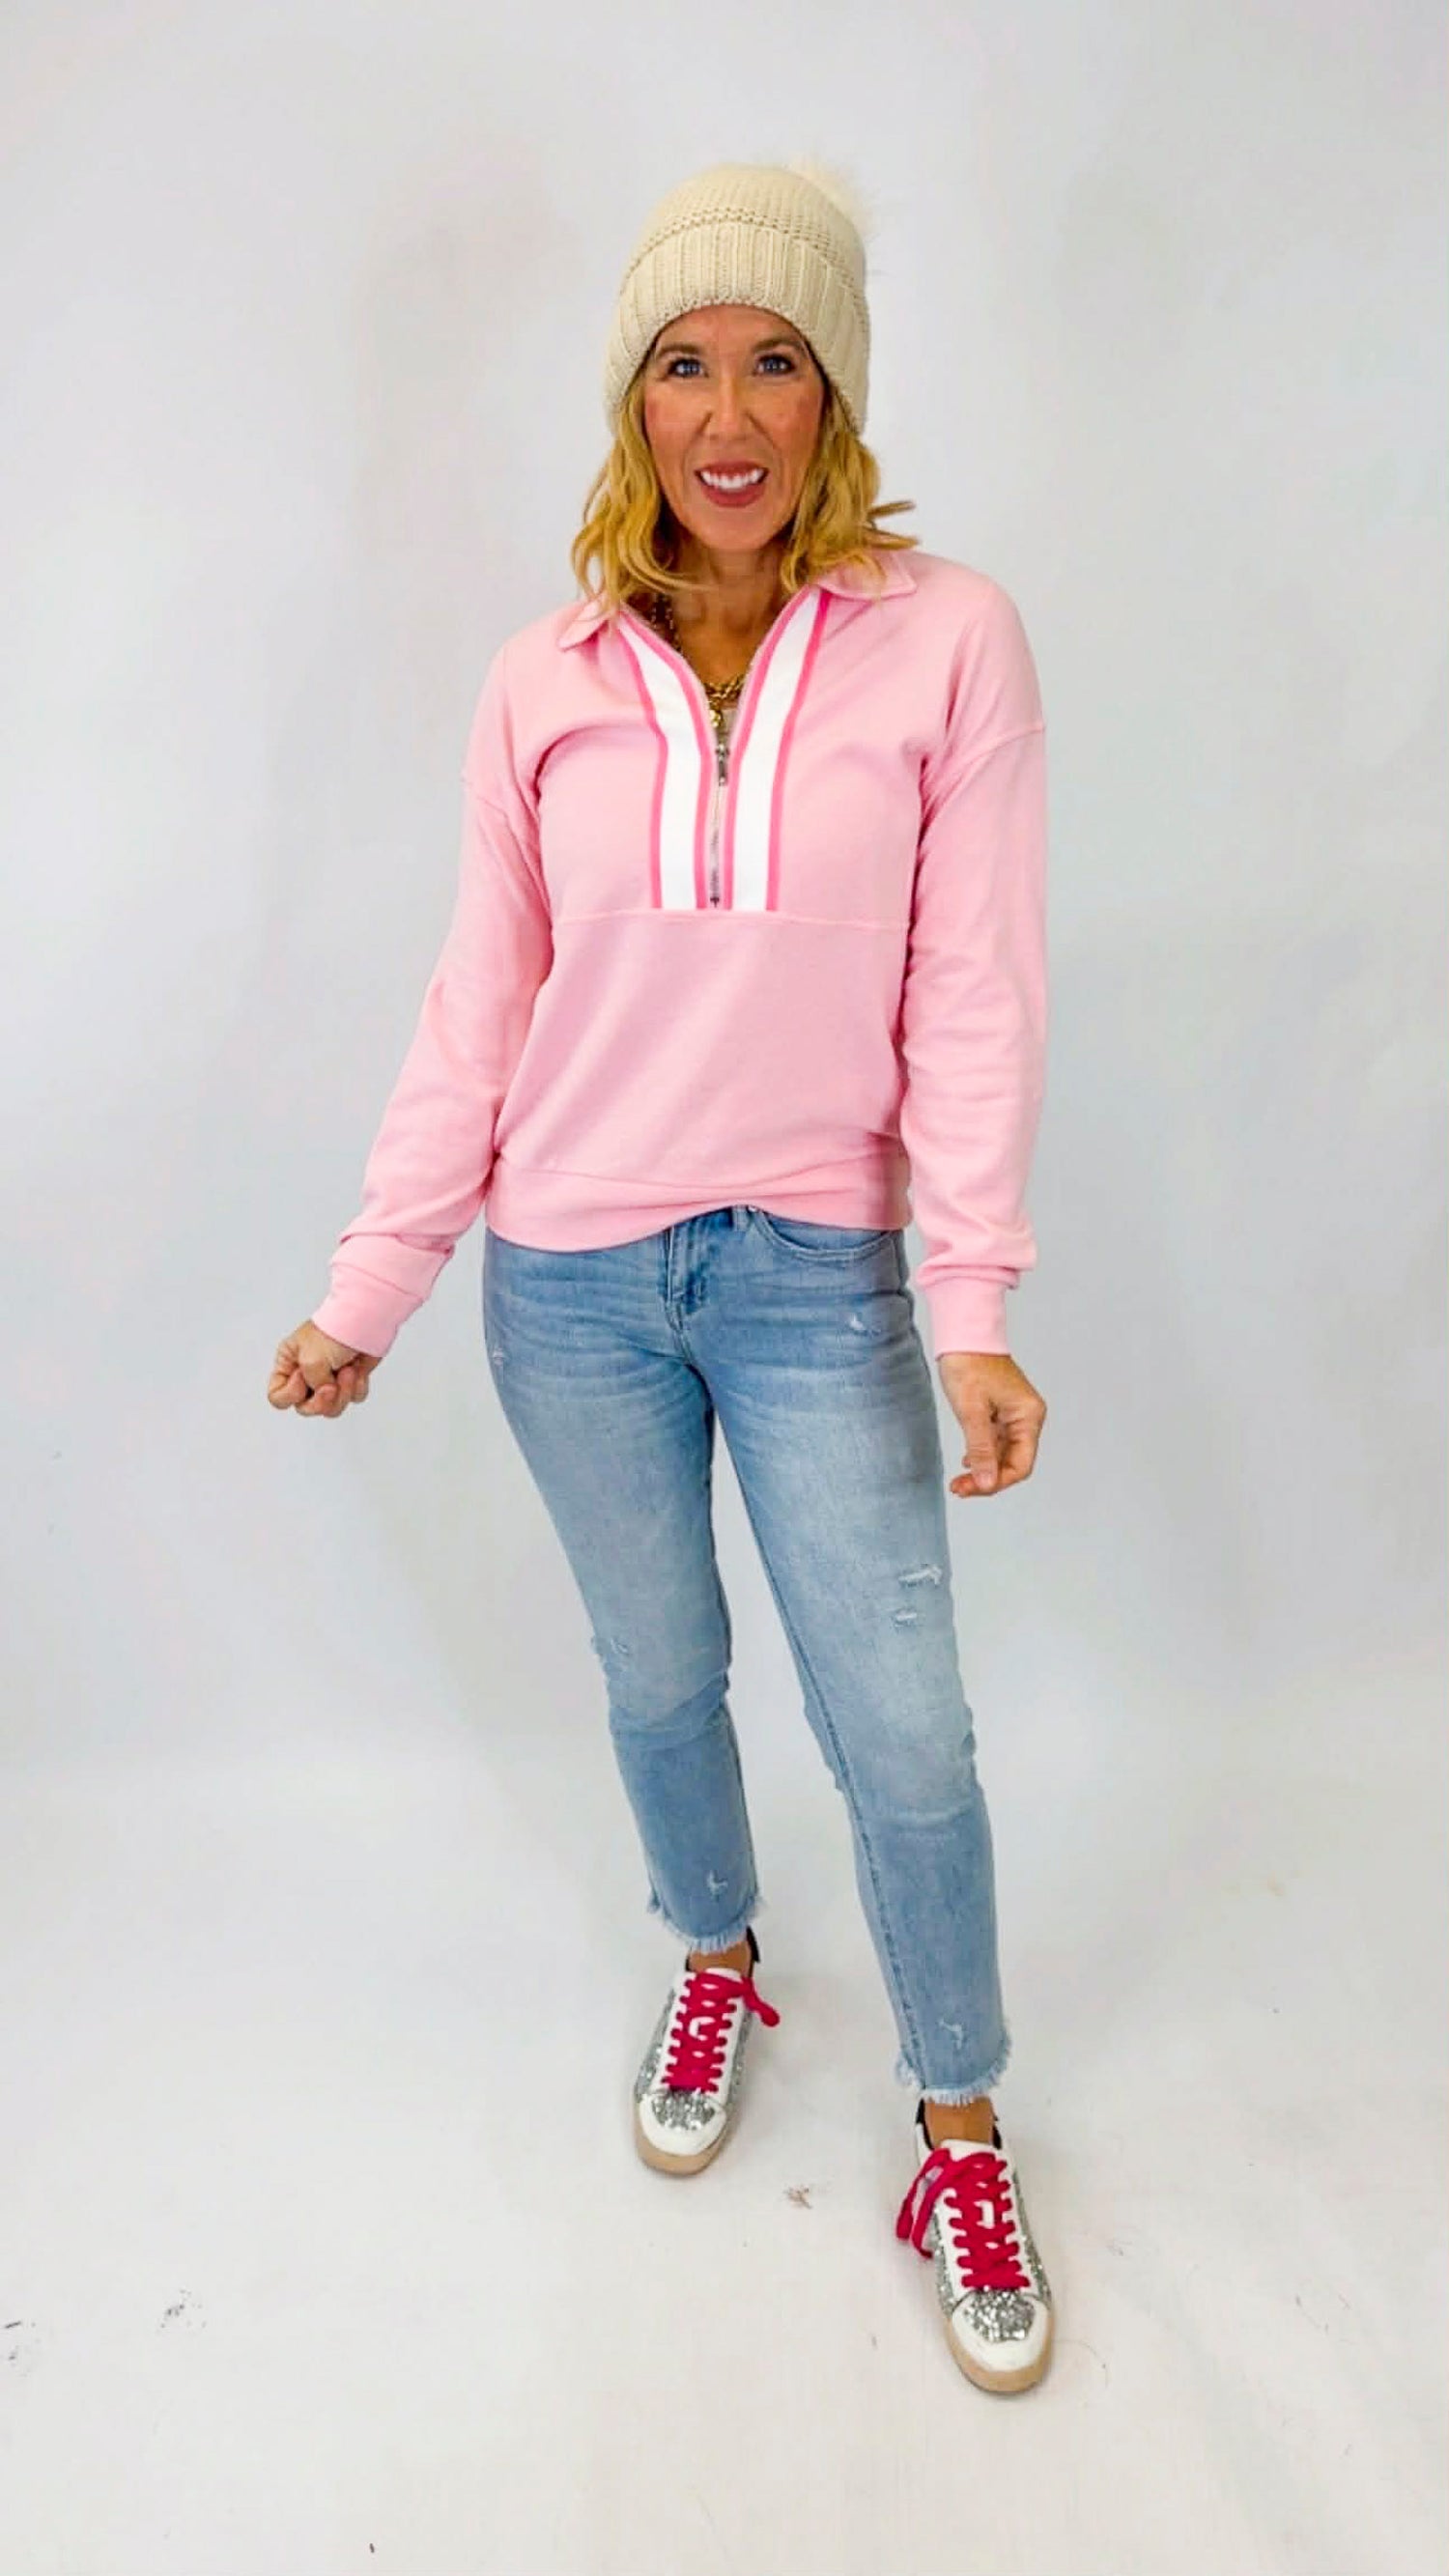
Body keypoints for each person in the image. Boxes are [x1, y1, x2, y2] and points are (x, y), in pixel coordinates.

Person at [268, 157, 1054, 2395]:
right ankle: (715, 1952)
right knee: (657, 1674)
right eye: (683, 363)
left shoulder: (948, 639)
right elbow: (481, 1000)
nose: (726, 410)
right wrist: (374, 1280)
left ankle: (960, 2116)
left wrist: (974, 1302)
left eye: (774, 360)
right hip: (573, 1281)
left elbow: (975, 990)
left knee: (901, 1721)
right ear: (633, 400)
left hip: (818, 1274)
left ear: (835, 394)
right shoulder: (544, 677)